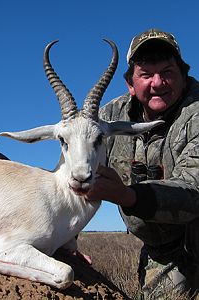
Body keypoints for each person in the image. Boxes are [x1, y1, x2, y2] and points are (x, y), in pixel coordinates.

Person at [86, 29, 199, 298]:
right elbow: (75, 171)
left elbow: (195, 190)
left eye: (168, 72)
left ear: (183, 76)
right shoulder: (108, 117)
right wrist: (67, 239)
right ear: (130, 83)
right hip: (162, 247)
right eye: (146, 74)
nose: (158, 83)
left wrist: (127, 195)